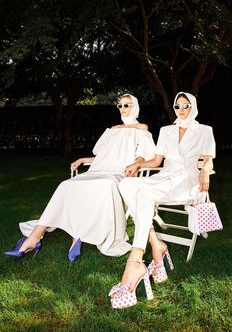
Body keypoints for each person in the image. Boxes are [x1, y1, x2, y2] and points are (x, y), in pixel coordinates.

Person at [4, 94, 156, 260]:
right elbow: (104, 157)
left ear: (134, 106)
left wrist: (137, 164)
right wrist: (83, 159)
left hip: (121, 173)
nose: (122, 109)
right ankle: (34, 238)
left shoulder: (142, 128)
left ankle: (77, 235)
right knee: (66, 185)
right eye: (120, 106)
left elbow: (144, 155)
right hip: (99, 170)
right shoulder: (113, 129)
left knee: (106, 185)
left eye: (126, 105)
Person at [109, 92, 216, 309]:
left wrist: (205, 170)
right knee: (126, 184)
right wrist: (138, 165)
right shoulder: (166, 131)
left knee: (145, 195)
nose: (182, 109)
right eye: (178, 106)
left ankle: (136, 261)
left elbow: (208, 159)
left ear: (193, 107)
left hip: (187, 181)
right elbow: (158, 160)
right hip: (164, 177)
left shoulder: (204, 130)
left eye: (186, 105)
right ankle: (156, 244)